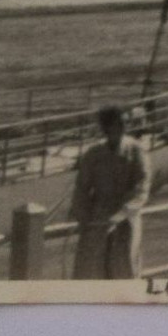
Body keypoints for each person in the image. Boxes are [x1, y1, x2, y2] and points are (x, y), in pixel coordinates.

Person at [70, 105, 150, 279]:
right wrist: (83, 218)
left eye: (125, 123)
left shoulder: (136, 151)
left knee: (124, 269)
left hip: (126, 220)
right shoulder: (93, 154)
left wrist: (121, 214)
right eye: (118, 124)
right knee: (90, 272)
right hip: (97, 221)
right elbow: (81, 190)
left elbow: (142, 188)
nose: (123, 127)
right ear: (106, 128)